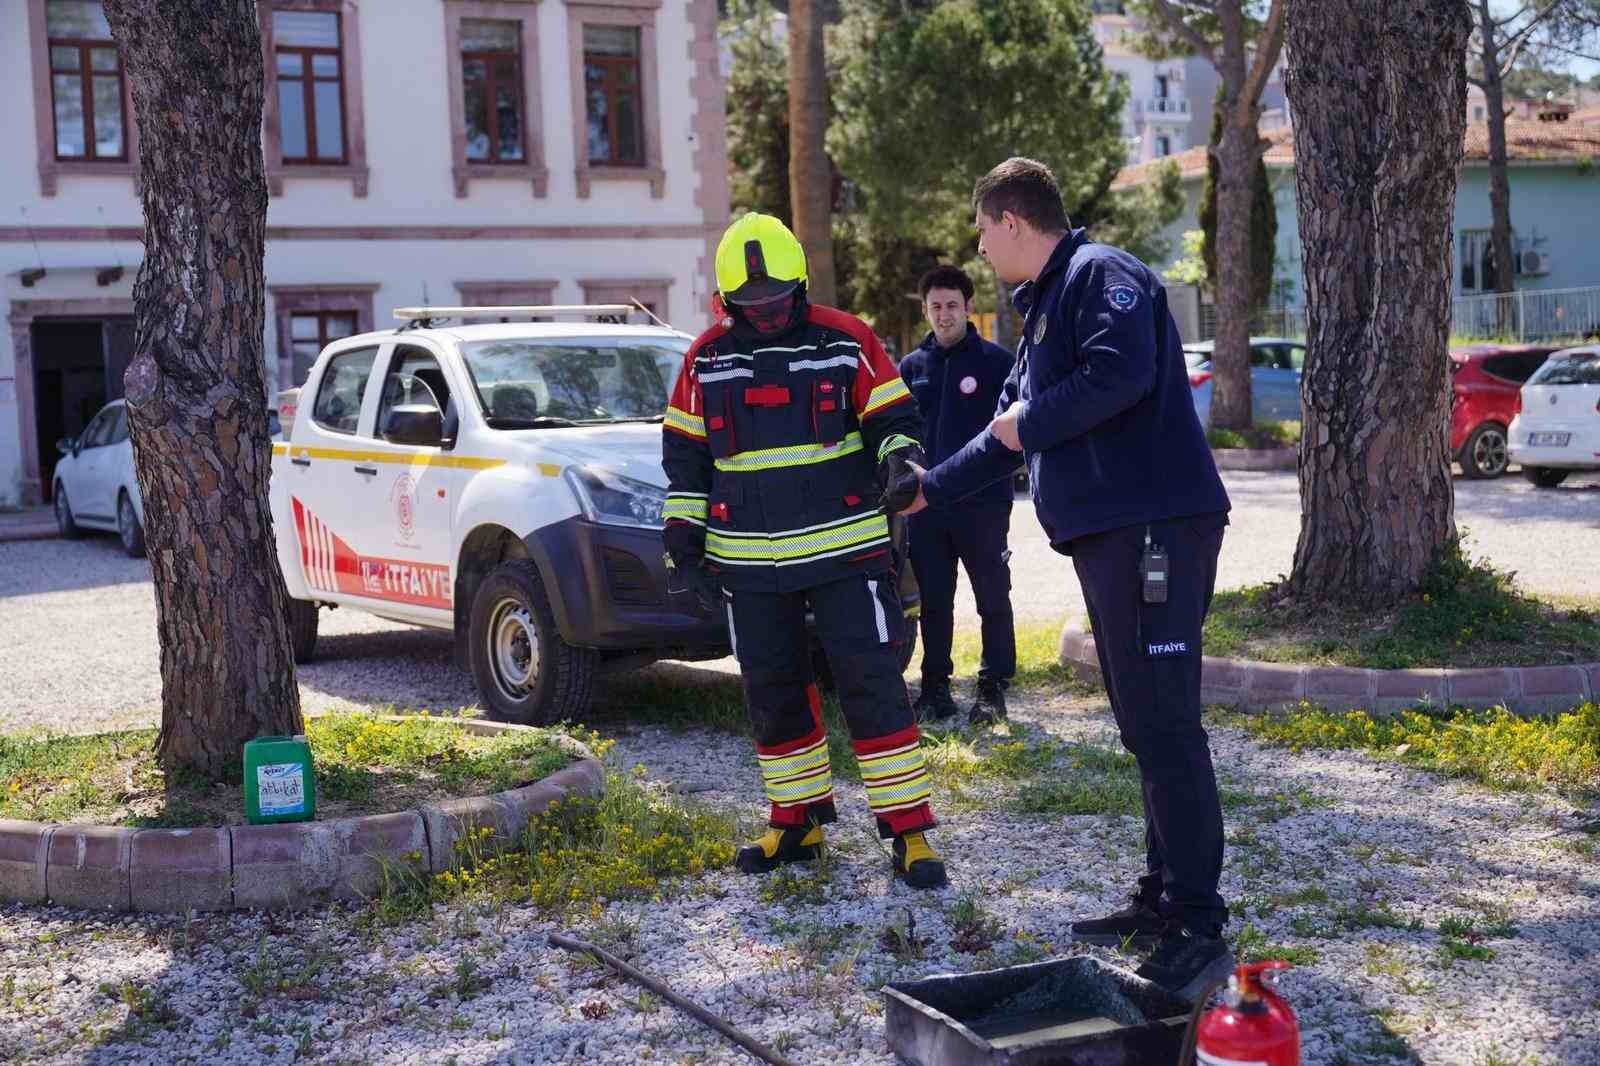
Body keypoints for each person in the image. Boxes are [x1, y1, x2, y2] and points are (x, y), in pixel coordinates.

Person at [902, 158, 1234, 998]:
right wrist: (926, 492)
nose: (978, 247)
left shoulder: (1100, 275)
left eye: (982, 230)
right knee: (1142, 726)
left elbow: (1119, 378)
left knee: (1165, 726)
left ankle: (1197, 922)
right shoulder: (1044, 305)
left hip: (1153, 529)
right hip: (1110, 537)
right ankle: (1161, 898)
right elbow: (1002, 432)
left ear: (1014, 221)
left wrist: (1027, 424)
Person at [661, 212, 948, 889]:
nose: (764, 313)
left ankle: (909, 831)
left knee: (874, 687)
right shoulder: (704, 359)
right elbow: (686, 463)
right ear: (724, 301)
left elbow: (893, 422)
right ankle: (798, 821)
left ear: (801, 285)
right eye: (749, 304)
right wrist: (683, 546)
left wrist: (901, 459)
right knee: (773, 694)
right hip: (752, 571)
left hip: (847, 556)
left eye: (777, 299)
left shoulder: (846, 340)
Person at [897, 265, 1017, 725]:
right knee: (935, 600)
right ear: (926, 310)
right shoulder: (912, 368)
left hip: (983, 505)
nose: (944, 315)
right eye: (935, 307)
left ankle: (992, 688)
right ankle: (935, 688)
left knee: (992, 596)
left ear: (969, 307)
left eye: (952, 305)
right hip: (927, 509)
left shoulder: (997, 364)